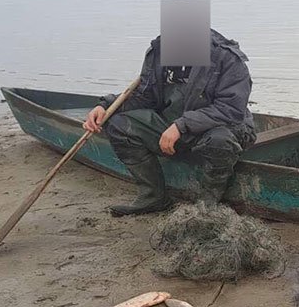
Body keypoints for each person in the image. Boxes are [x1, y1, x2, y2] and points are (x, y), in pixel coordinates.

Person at [83, 29, 255, 215]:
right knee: (119, 124)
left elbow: (230, 110)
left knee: (220, 141)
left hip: (220, 128)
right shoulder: (159, 51)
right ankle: (153, 197)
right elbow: (144, 96)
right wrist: (105, 106)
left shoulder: (227, 58)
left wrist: (182, 125)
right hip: (172, 125)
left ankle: (207, 202)